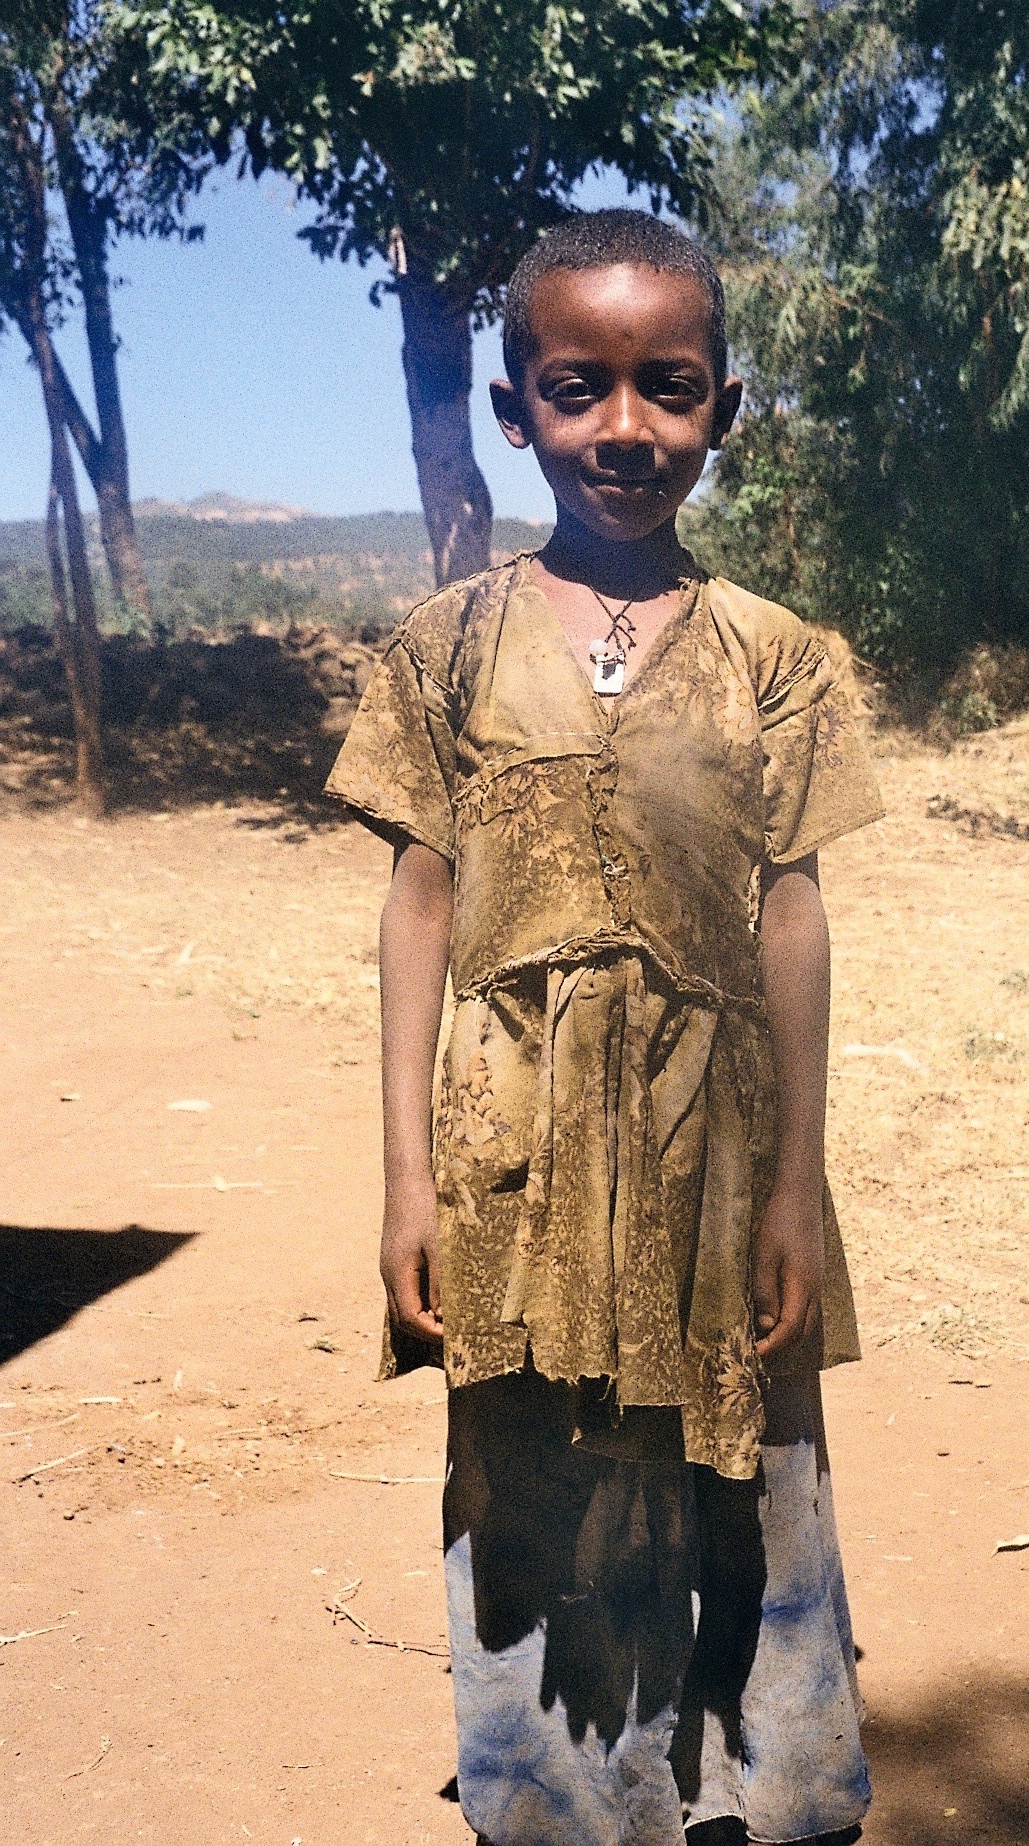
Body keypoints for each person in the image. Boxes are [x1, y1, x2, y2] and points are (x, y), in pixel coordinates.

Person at [326, 209, 884, 1846]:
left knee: (750, 1470)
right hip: (514, 1163)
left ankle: (759, 1790)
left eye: (671, 387)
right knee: (532, 1464)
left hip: (716, 1153)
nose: (625, 429)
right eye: (580, 388)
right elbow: (419, 907)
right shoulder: (443, 650)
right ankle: (560, 1805)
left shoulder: (781, 661)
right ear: (517, 408)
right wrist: (407, 1183)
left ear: (723, 407)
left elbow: (791, 914)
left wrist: (793, 1185)